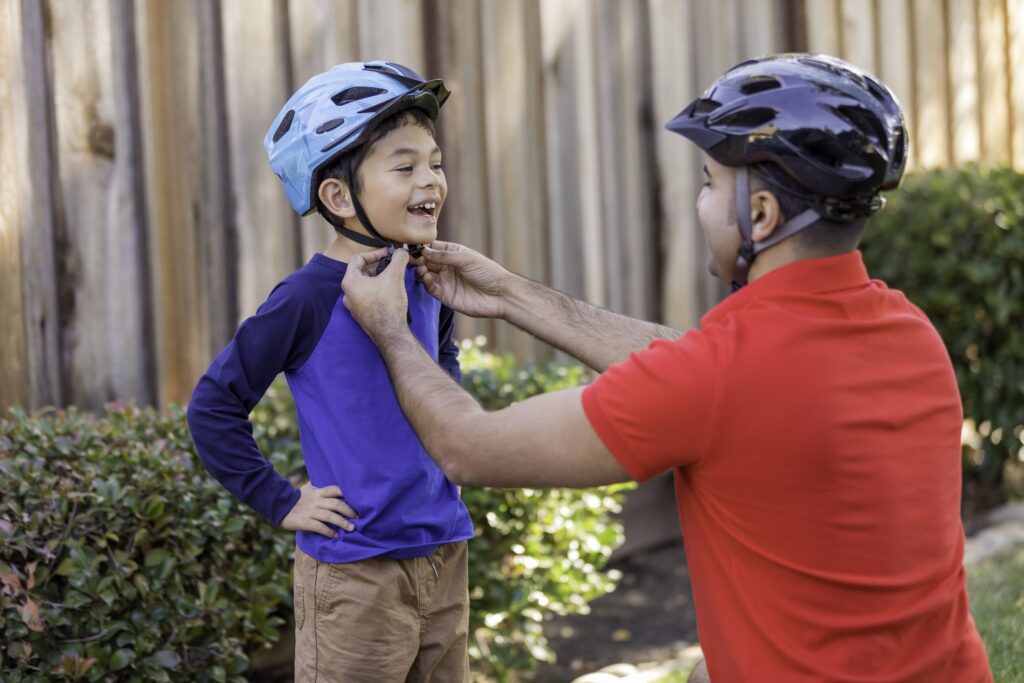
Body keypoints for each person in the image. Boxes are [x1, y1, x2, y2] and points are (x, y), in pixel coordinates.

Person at [339, 54, 994, 682]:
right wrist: (512, 295)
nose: (701, 202)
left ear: (760, 215)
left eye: (711, 184)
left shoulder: (722, 376)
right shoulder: (909, 333)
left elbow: (469, 449)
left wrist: (392, 331)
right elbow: (707, 379)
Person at [186, 61, 474, 683]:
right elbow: (213, 406)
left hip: (445, 552)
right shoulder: (307, 298)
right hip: (356, 574)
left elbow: (444, 362)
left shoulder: (425, 277)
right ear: (339, 197)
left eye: (436, 162)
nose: (431, 180)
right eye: (405, 167)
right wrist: (282, 499)